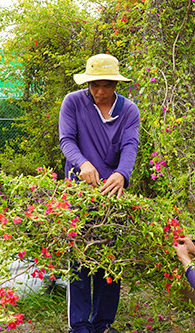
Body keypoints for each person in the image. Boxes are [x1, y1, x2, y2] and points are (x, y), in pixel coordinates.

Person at [58, 53, 140, 333]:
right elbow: (66, 140)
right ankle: (80, 326)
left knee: (109, 259)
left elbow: (130, 145)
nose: (100, 92)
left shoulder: (129, 110)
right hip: (78, 190)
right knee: (80, 257)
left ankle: (103, 323)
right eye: (95, 85)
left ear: (117, 85)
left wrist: (121, 174)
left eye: (107, 85)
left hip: (113, 193)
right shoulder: (73, 102)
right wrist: (83, 164)